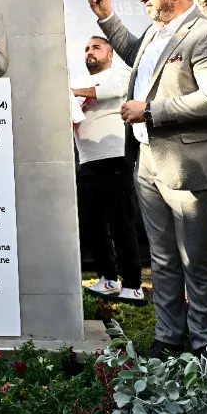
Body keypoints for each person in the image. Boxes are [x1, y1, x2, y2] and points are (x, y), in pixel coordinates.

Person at [90, 0, 207, 359]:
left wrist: (151, 112)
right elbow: (135, 54)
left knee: (196, 259)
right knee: (161, 258)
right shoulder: (155, 34)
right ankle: (168, 340)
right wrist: (107, 19)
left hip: (190, 167)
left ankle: (205, 345)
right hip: (148, 161)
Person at [70, 36, 143, 302]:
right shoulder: (77, 82)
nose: (90, 52)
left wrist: (73, 92)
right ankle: (108, 279)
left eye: (96, 48)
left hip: (115, 157)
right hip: (86, 160)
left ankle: (132, 284)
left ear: (110, 55)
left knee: (121, 221)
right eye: (86, 49)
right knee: (93, 223)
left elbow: (112, 90)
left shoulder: (120, 74)